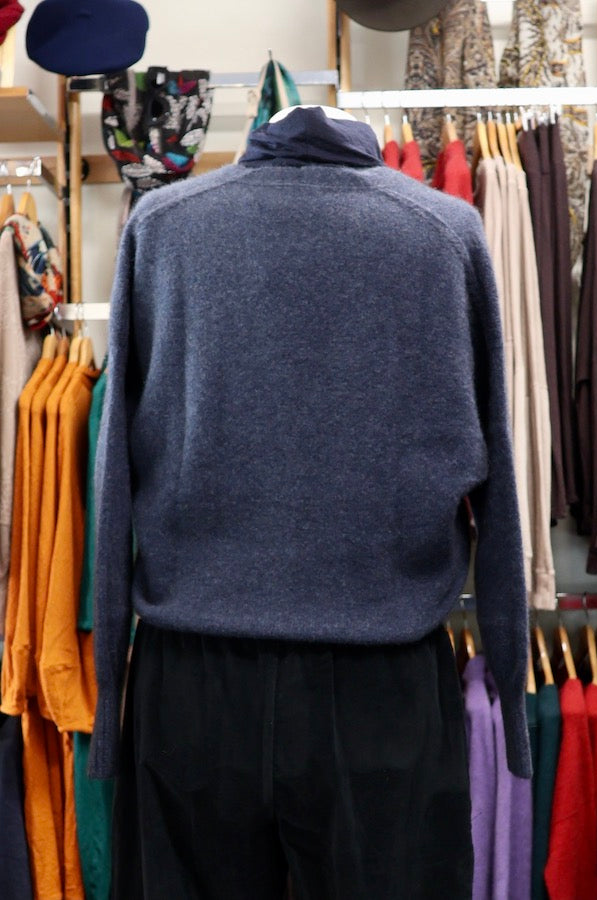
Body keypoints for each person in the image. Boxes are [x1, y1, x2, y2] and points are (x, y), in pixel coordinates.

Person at [90, 104, 531, 899]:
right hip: (382, 689)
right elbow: (494, 471)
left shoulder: (165, 225)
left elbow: (115, 472)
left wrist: (111, 699)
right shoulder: (440, 232)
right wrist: (508, 672)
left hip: (194, 691)